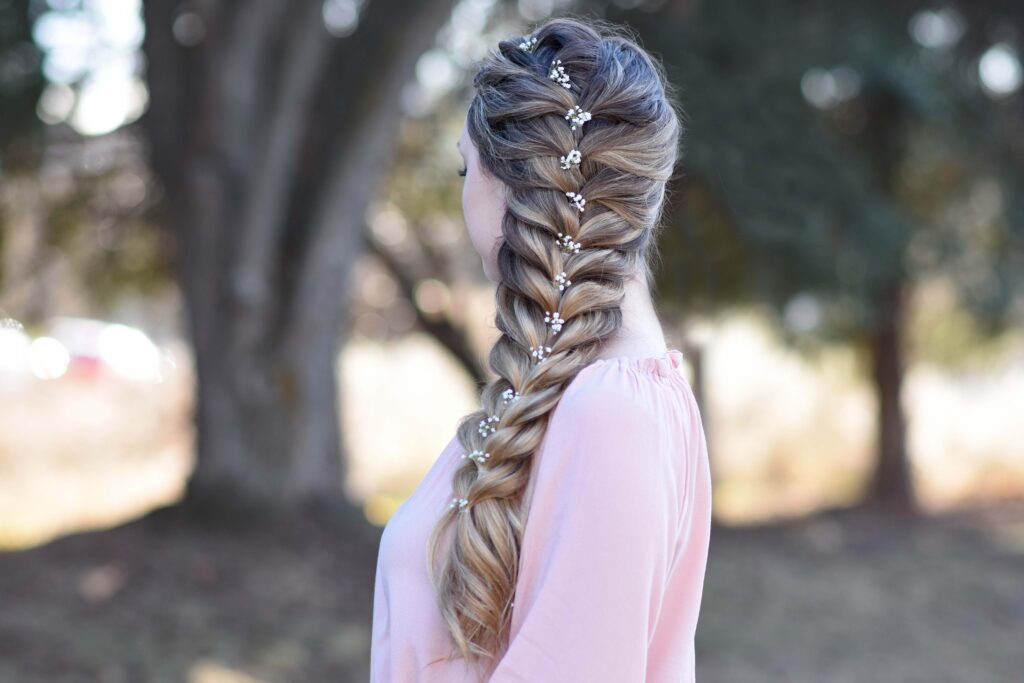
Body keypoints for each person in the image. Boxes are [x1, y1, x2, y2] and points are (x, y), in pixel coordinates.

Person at [370, 15, 712, 682]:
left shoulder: (612, 414)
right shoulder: (589, 394)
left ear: (510, 183)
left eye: (464, 170)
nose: (463, 194)